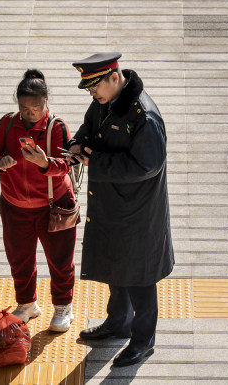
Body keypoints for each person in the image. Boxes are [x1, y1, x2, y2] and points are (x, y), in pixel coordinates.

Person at [67, 52, 174, 367]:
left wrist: (95, 161)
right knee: (117, 268)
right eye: (89, 90)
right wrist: (77, 144)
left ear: (114, 78)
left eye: (94, 88)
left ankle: (143, 340)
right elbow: (89, 128)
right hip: (112, 204)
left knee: (140, 278)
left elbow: (147, 165)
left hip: (139, 213)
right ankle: (118, 322)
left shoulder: (144, 116)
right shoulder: (104, 101)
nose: (92, 94)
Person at [0, 69, 78, 332]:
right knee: (19, 258)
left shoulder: (56, 127)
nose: (30, 113)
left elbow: (67, 164)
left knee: (60, 259)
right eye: (24, 108)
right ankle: (26, 304)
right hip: (14, 205)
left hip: (54, 205)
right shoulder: (8, 123)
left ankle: (63, 307)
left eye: (36, 108)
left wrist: (44, 162)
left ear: (46, 102)